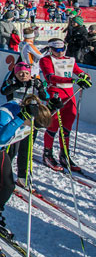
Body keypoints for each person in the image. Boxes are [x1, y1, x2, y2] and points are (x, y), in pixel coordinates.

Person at [0, 97, 51, 239]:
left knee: (8, 185)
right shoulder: (4, 115)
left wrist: (53, 106)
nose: (32, 130)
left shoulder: (26, 117)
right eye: (34, 126)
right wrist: (19, 119)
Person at [39, 38, 91, 172]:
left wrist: (85, 77)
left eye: (62, 49)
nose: (60, 52)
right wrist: (73, 80)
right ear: (50, 49)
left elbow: (79, 71)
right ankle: (47, 154)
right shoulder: (46, 60)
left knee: (67, 127)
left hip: (70, 96)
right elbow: (51, 77)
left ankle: (64, 155)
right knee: (53, 126)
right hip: (56, 96)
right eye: (57, 50)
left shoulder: (69, 60)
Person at [0, 61, 53, 189]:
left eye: (26, 73)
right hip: (14, 119)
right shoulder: (12, 81)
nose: (23, 76)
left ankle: (22, 177)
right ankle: (3, 174)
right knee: (11, 150)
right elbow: (4, 91)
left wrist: (40, 87)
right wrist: (17, 85)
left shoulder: (34, 83)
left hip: (29, 121)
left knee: (26, 149)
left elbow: (46, 96)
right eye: (20, 73)